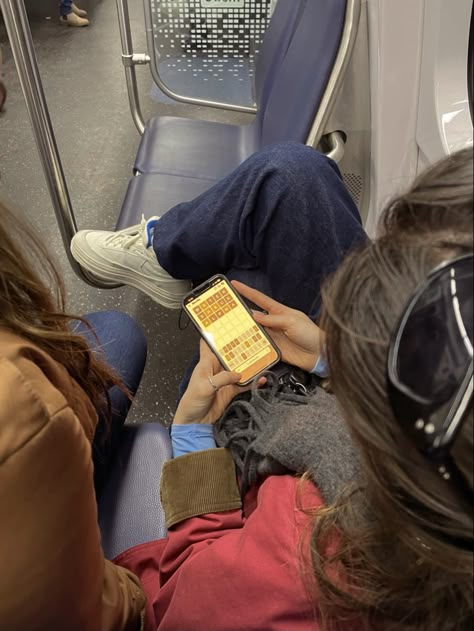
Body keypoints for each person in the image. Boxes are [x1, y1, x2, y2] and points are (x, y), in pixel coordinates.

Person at [0, 144, 471, 631]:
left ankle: (169, 253)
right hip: (342, 424)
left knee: (137, 327)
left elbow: (180, 599)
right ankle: (166, 252)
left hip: (257, 488)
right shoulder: (442, 470)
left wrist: (192, 434)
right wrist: (333, 358)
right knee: (294, 178)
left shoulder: (305, 552)